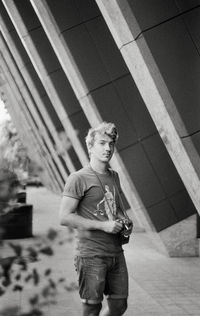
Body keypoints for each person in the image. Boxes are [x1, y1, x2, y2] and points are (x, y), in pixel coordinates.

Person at [59, 122, 133, 316]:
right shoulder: (78, 178)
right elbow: (64, 217)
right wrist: (104, 226)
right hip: (91, 254)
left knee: (119, 306)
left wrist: (123, 220)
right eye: (102, 143)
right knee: (92, 308)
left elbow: (113, 209)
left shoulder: (114, 176)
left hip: (116, 252)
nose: (108, 148)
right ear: (90, 146)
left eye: (111, 143)